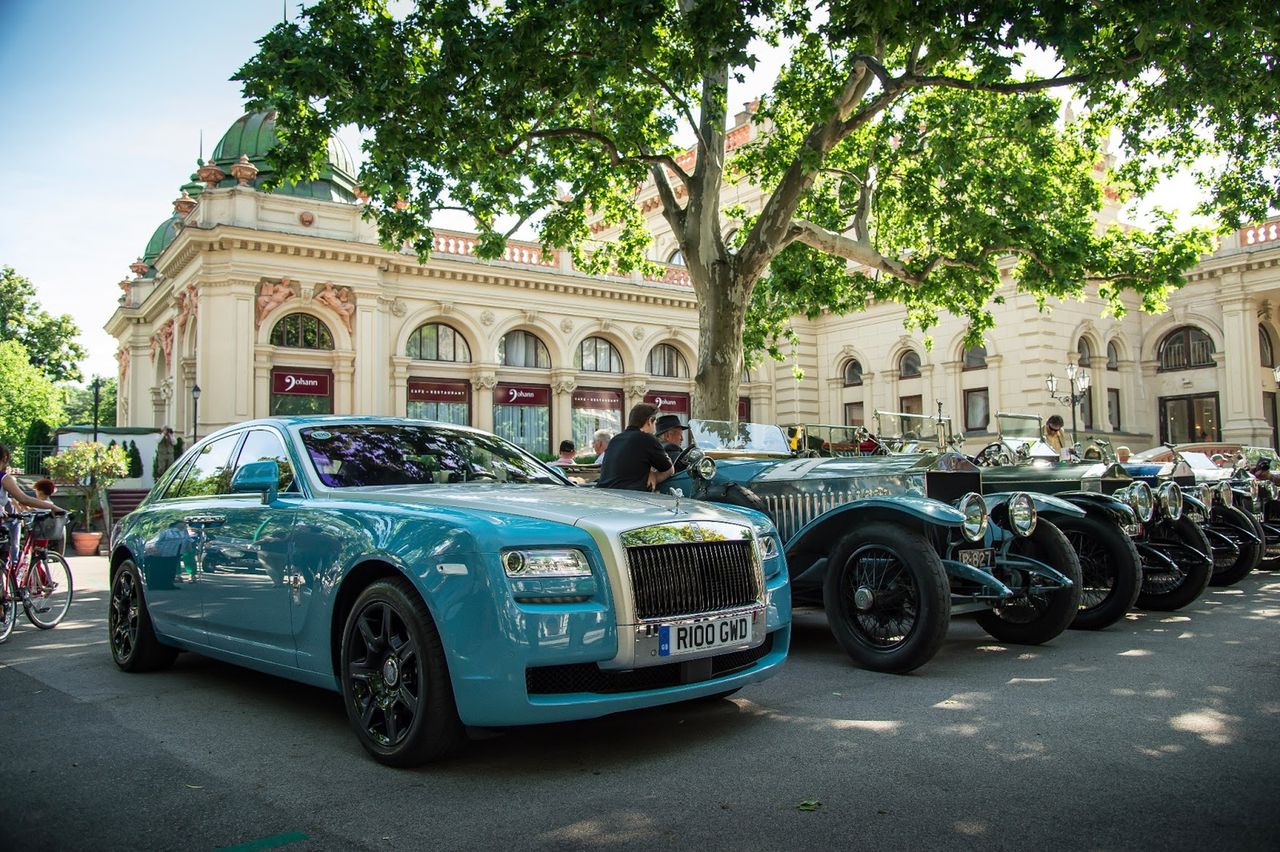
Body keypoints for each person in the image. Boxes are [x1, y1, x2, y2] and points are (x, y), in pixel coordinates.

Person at [0, 443, 65, 570]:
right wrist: (52, 507)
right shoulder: (4, 478)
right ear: (5, 458)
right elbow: (24, 498)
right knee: (7, 556)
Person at [597, 403, 673, 492]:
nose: (655, 428)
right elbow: (670, 470)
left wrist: (650, 472)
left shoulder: (615, 440)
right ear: (649, 421)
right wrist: (655, 477)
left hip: (604, 494)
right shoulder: (647, 439)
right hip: (629, 499)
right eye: (655, 423)